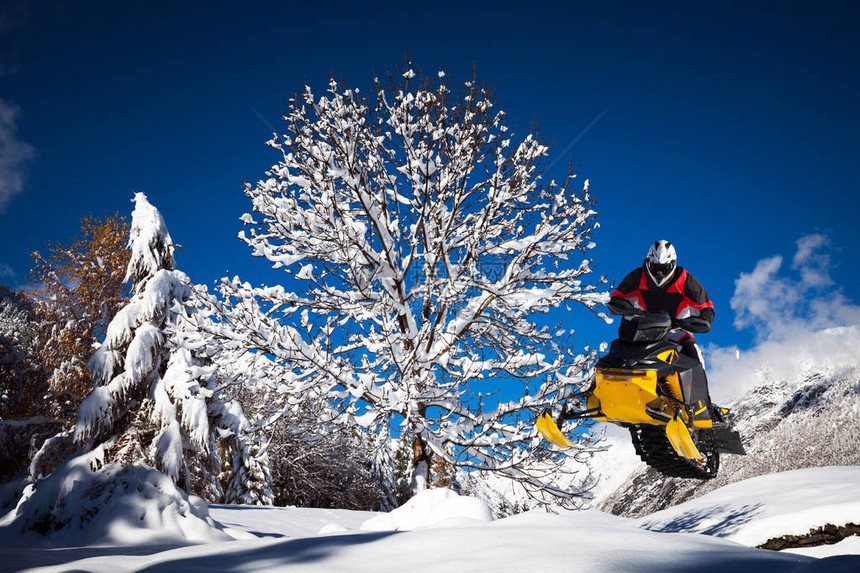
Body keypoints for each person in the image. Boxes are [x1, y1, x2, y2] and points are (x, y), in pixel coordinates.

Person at [607, 240, 714, 366]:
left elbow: (706, 307)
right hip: (641, 333)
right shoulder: (637, 276)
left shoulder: (685, 280)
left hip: (677, 332)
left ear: (672, 264)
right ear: (648, 262)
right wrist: (628, 309)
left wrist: (702, 320)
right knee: (612, 361)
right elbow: (616, 298)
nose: (659, 273)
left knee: (696, 359)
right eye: (655, 267)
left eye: (663, 268)